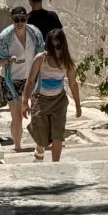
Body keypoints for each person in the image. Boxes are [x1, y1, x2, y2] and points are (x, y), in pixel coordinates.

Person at [22, 27, 82, 162]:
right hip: (40, 101)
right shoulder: (40, 59)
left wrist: (78, 106)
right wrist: (25, 103)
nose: (55, 50)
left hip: (59, 101)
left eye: (58, 46)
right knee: (42, 137)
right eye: (52, 46)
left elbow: (73, 84)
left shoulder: (67, 62)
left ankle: (56, 165)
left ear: (63, 45)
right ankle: (40, 148)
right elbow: (30, 81)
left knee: (57, 135)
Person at [0, 6, 44, 152]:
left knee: (38, 113)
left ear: (27, 19)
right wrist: (8, 60)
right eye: (16, 19)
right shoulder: (5, 37)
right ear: (12, 20)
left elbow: (42, 53)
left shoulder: (35, 34)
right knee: (17, 116)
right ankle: (17, 147)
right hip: (11, 81)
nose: (20, 23)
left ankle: (41, 143)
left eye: (23, 19)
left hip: (31, 79)